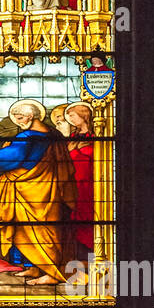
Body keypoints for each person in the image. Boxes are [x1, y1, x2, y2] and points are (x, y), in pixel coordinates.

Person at [0, 100, 78, 285]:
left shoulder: (29, 136)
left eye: (20, 117)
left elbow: (13, 157)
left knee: (42, 230)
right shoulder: (52, 133)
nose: (18, 121)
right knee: (28, 229)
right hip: (45, 186)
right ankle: (33, 267)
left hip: (35, 188)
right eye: (16, 118)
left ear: (31, 116)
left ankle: (53, 273)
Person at [64, 101, 95, 254]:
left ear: (84, 115)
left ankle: (92, 251)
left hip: (89, 182)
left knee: (87, 214)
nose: (70, 119)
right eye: (69, 116)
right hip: (73, 181)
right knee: (75, 216)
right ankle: (79, 253)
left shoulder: (96, 135)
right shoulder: (73, 137)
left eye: (72, 115)